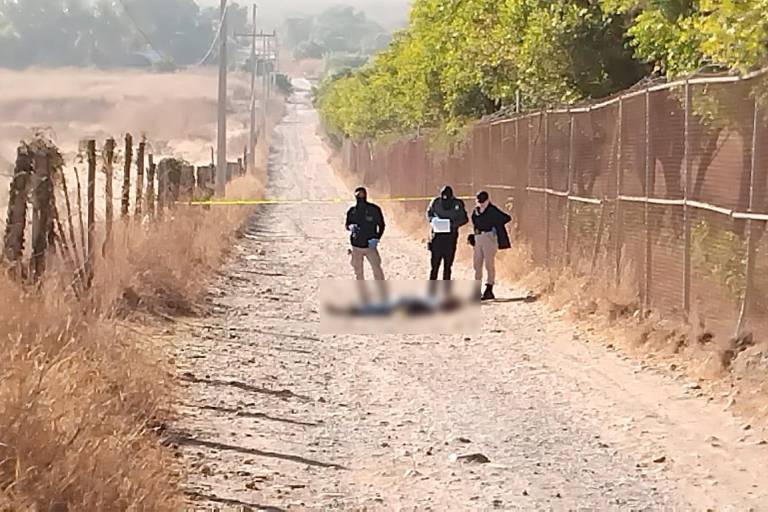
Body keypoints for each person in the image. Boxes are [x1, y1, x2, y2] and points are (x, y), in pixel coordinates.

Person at [345, 187, 387, 302]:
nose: (360, 197)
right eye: (358, 195)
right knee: (358, 271)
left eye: (362, 194)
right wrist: (350, 227)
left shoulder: (374, 210)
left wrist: (377, 238)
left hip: (370, 246)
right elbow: (347, 224)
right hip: (356, 246)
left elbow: (382, 225)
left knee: (376, 268)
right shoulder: (352, 211)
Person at [470, 190, 512, 301]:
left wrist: (496, 226)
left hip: (489, 237)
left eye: (483, 201)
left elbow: (506, 218)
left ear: (487, 200)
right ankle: (476, 290)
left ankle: (489, 289)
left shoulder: (492, 210)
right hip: (478, 237)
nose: (481, 203)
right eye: (479, 201)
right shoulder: (476, 211)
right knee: (477, 264)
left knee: (489, 264)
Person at [426, 185, 468, 294]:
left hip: (450, 238)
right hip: (437, 238)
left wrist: (452, 224)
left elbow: (464, 219)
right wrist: (433, 220)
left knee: (447, 266)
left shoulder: (458, 204)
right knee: (434, 266)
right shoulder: (435, 202)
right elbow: (429, 214)